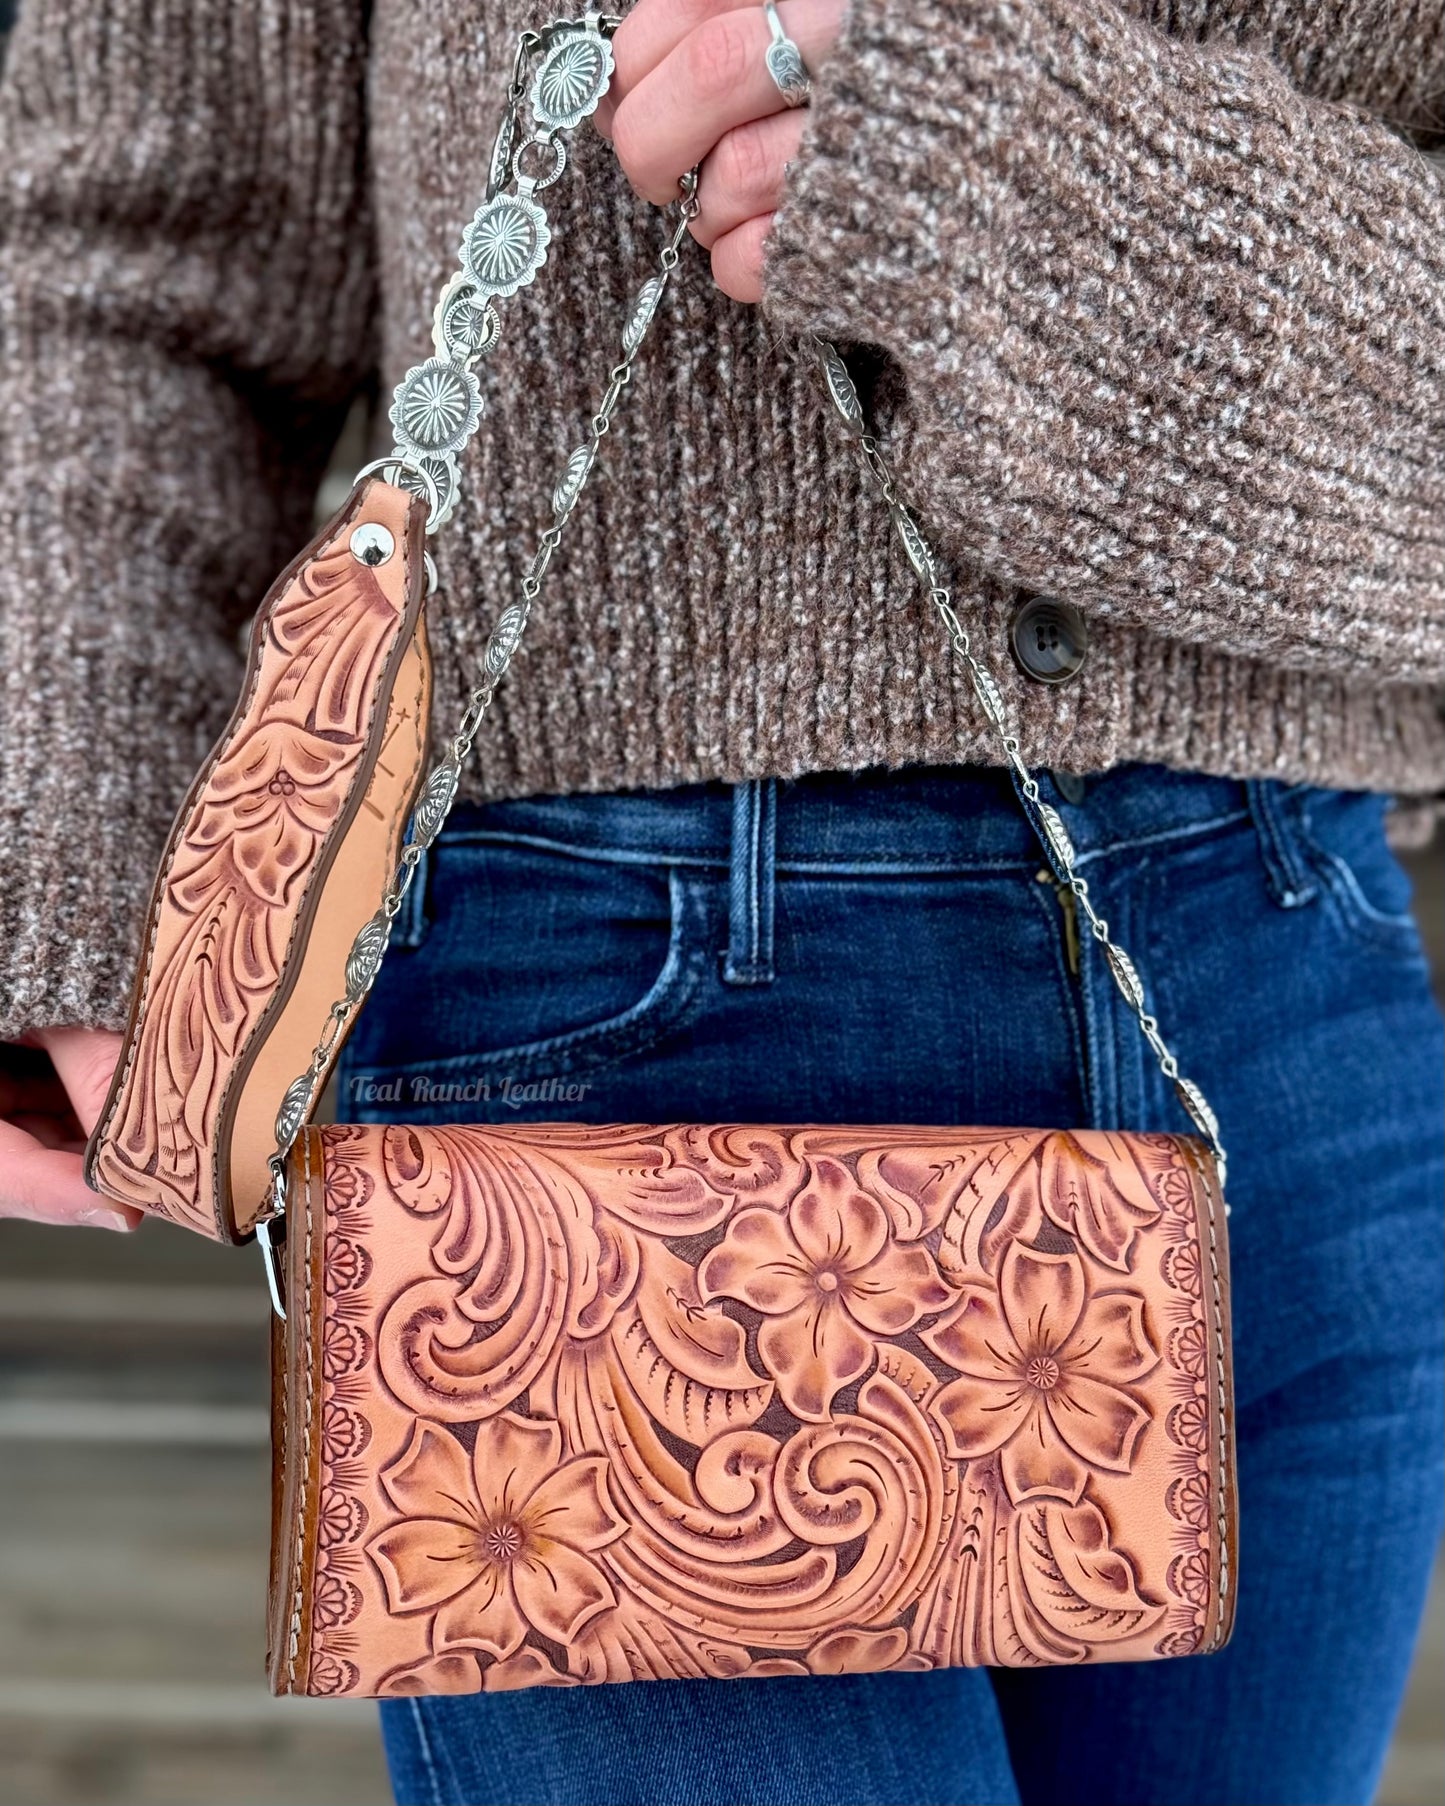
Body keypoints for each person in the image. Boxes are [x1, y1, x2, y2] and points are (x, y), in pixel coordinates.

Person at [2, 3, 1442, 1802]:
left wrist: (1007, 171)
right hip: (584, 1098)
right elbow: (135, 269)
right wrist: (79, 836)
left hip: (1280, 1020)